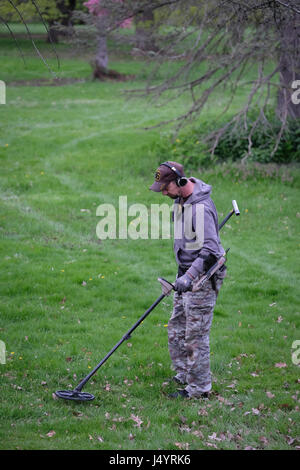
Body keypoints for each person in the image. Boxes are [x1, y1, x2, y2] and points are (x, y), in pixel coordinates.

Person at [149, 161, 226, 399]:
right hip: (184, 273)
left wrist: (190, 276)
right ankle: (183, 374)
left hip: (201, 277)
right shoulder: (180, 200)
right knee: (177, 328)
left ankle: (199, 389)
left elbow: (211, 249)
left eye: (165, 187)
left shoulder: (200, 208)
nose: (163, 193)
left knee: (195, 334)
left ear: (181, 182)